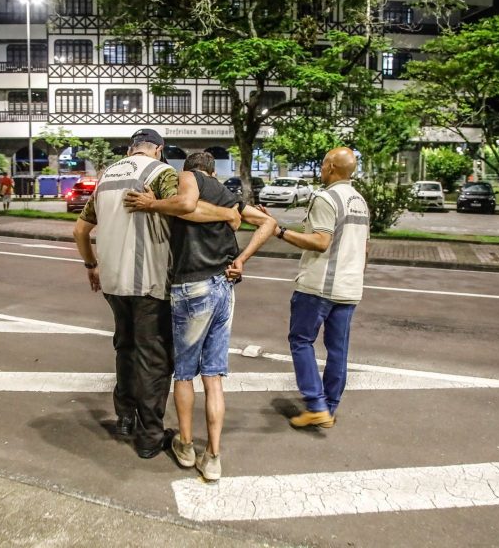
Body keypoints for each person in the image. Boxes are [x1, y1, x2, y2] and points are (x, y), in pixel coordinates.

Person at [73, 128, 240, 460]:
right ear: (159, 150)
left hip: (112, 281)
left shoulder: (105, 177)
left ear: (131, 148)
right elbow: (186, 208)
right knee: (154, 358)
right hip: (150, 282)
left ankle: (124, 417)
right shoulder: (161, 172)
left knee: (126, 346)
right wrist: (228, 213)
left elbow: (80, 229)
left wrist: (91, 264)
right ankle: (149, 434)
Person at [124, 152, 276, 481]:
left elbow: (186, 204)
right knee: (213, 378)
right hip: (224, 286)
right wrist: (242, 260)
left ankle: (187, 445)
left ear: (190, 171)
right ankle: (214, 456)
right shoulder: (228, 195)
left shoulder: (189, 178)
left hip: (192, 286)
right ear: (213, 171)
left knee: (184, 374)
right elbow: (269, 223)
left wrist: (151, 204)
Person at [272, 147, 369, 429]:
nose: (322, 168)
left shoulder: (326, 198)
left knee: (301, 341)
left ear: (330, 167)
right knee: (338, 349)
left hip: (320, 287)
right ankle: (330, 407)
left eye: (324, 164)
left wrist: (280, 232)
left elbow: (320, 241)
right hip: (350, 287)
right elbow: (364, 247)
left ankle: (315, 405)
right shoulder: (359, 201)